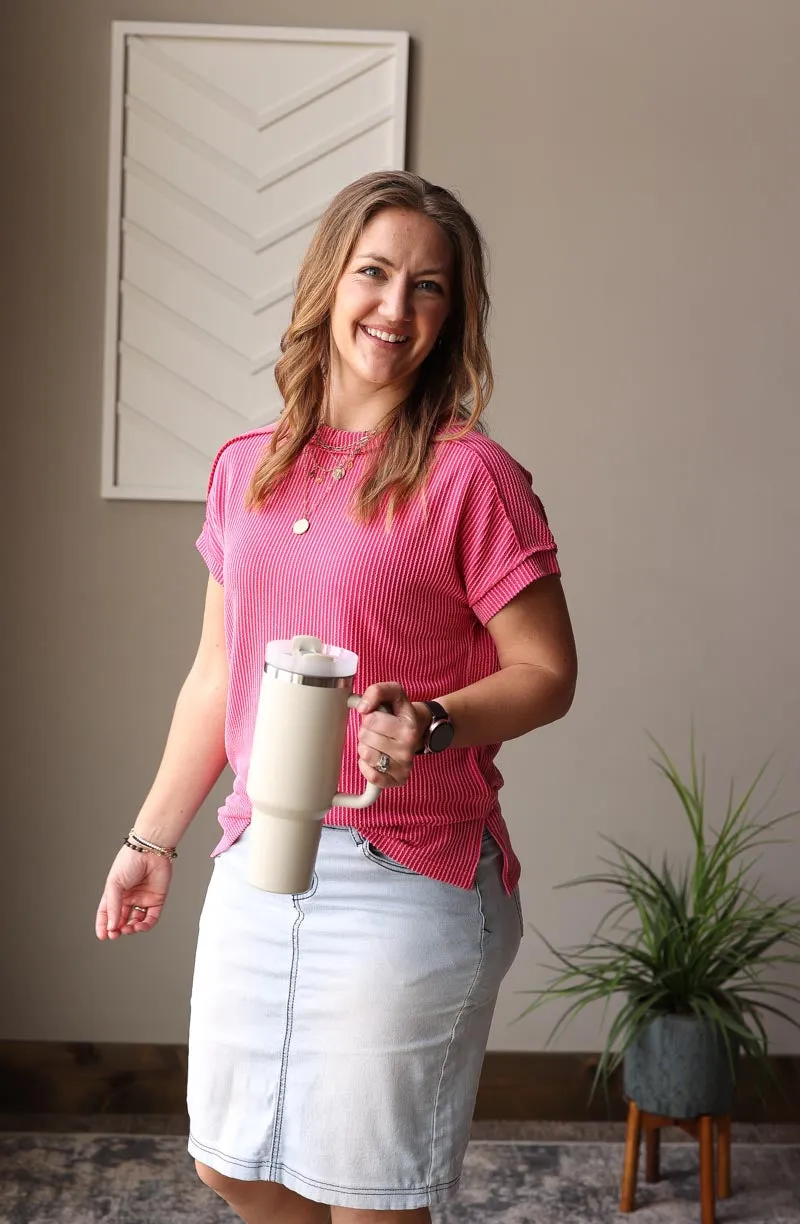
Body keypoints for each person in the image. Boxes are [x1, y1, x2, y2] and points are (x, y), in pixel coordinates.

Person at [95, 170, 577, 1224]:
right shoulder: (246, 469)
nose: (397, 309)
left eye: (431, 288)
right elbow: (216, 671)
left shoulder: (471, 475)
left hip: (411, 869)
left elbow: (547, 673)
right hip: (259, 855)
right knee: (235, 1163)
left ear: (454, 317)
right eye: (376, 273)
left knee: (368, 1200)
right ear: (330, 282)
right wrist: (152, 837)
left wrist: (434, 720)